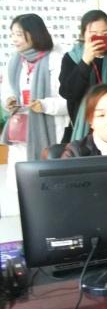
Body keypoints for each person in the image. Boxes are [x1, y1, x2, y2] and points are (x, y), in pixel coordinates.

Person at [1, 14, 69, 187]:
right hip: (20, 134)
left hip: (49, 132)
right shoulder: (14, 60)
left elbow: (69, 101)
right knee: (24, 186)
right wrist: (9, 100)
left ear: (34, 33)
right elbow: (7, 90)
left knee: (50, 186)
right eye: (12, 34)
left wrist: (44, 105)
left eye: (19, 34)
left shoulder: (57, 59)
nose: (14, 39)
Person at [59, 10, 107, 141]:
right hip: (85, 133)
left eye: (106, 34)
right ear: (83, 36)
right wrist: (85, 62)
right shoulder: (72, 58)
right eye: (94, 35)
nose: (100, 39)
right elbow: (68, 93)